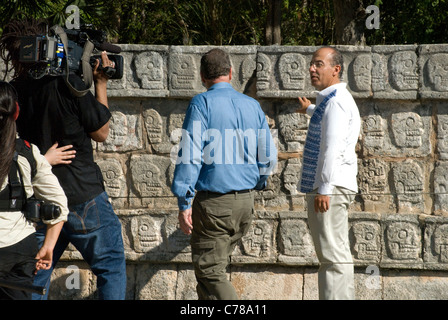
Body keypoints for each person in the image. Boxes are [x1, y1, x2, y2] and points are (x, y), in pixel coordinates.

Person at [0, 18, 127, 300]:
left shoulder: (13, 92)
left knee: (35, 276)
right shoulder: (69, 84)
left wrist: (43, 160)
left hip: (40, 201)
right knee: (111, 269)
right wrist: (100, 83)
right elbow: (102, 132)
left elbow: (13, 146)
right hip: (83, 195)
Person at [172, 48, 277, 300]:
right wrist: (257, 182)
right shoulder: (252, 106)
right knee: (209, 279)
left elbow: (190, 155)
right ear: (231, 73)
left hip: (214, 205)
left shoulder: (202, 103)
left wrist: (184, 201)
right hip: (245, 202)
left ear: (201, 76)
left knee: (210, 272)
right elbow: (268, 157)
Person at [296, 46, 361, 300]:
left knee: (332, 258)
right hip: (334, 187)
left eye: (319, 64)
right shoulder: (335, 101)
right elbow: (330, 123)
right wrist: (310, 110)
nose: (312, 68)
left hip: (330, 189)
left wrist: (324, 189)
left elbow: (332, 147)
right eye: (312, 64)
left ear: (336, 70)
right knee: (335, 255)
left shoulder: (336, 103)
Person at [0, 81, 68, 300]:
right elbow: (59, 205)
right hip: (20, 250)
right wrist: (48, 246)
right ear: (16, 112)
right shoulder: (29, 153)